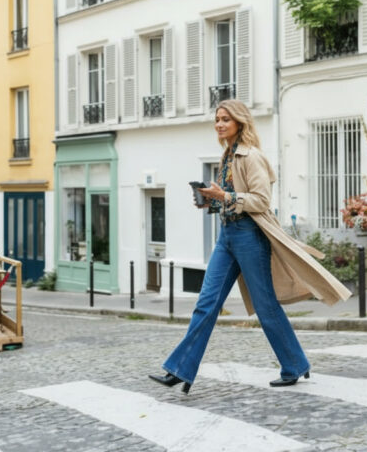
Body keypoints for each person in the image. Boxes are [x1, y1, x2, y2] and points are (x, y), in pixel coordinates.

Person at [149, 99, 351, 394]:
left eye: (225, 119)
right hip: (227, 236)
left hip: (250, 236)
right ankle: (181, 369)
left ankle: (294, 364)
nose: (219, 124)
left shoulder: (251, 156)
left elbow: (261, 200)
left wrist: (226, 197)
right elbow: (229, 197)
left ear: (239, 123)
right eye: (217, 119)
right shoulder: (226, 157)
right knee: (206, 303)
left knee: (265, 305)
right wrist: (210, 200)